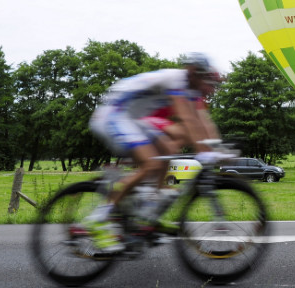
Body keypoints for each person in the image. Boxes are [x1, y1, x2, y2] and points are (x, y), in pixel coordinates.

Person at [86, 53, 224, 253]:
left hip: (134, 119)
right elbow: (188, 120)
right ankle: (97, 220)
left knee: (167, 153)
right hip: (114, 113)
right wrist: (204, 151)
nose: (208, 87)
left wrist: (216, 147)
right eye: (206, 81)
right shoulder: (176, 80)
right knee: (151, 163)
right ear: (194, 73)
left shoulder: (191, 90)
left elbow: (202, 120)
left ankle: (145, 217)